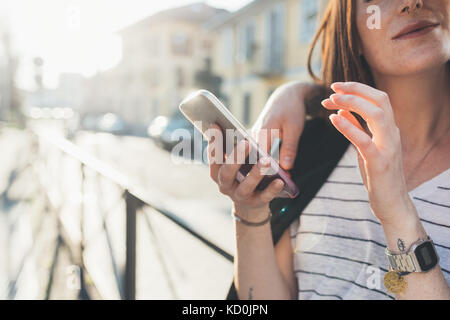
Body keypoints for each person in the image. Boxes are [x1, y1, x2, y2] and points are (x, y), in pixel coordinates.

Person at [206, 0, 450, 299]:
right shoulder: (311, 146)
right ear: (351, 34)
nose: (411, 2)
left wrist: (397, 213)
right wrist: (250, 211)